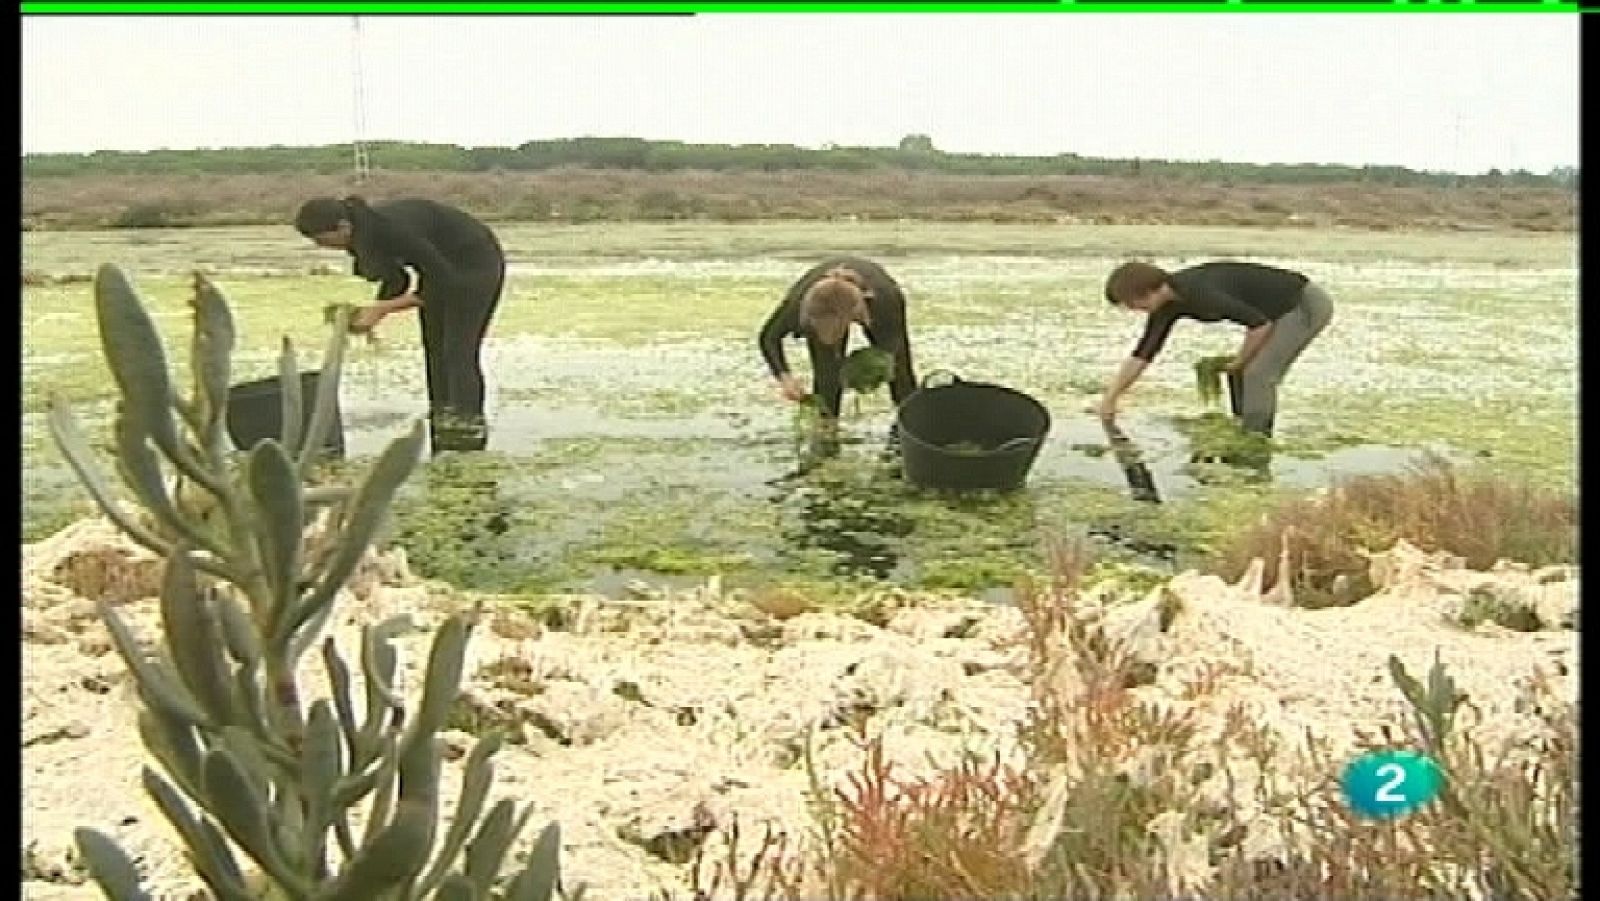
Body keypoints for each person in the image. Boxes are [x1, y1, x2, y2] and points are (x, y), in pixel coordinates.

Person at [294, 195, 507, 454]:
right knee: (434, 347)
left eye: (321, 240)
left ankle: (468, 422)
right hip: (440, 267)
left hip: (475, 264)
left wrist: (382, 310)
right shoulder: (362, 232)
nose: (321, 247)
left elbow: (442, 283)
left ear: (342, 226)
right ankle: (441, 412)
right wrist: (371, 311)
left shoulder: (392, 229)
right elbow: (397, 279)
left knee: (458, 351)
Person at [1098, 259, 1334, 437]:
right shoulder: (1167, 305)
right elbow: (1143, 354)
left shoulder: (1200, 291)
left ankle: (1256, 439)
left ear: (1149, 290)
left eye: (1132, 303)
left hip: (1304, 304)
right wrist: (1110, 399)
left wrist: (1240, 362)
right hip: (1275, 313)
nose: (1133, 309)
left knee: (1258, 374)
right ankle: (1242, 424)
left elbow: (1260, 325)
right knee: (1241, 370)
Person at [757, 257, 918, 443]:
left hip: (877, 297)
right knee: (827, 375)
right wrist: (785, 378)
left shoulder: (884, 300)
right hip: (824, 305)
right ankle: (826, 434)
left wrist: (862, 372)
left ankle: (912, 429)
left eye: (835, 330)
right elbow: (768, 337)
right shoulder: (799, 304)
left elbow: (891, 351)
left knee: (899, 373)